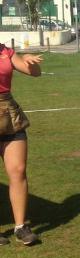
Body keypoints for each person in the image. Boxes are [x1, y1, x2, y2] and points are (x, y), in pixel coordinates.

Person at [0, 43, 42, 246]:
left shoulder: (6, 52)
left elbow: (35, 73)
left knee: (18, 170)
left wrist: (30, 62)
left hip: (9, 115)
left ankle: (20, 227)